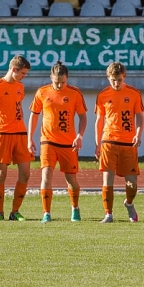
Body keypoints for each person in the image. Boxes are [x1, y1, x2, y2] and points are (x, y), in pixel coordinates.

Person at [28, 62, 87, 223]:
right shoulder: (42, 92)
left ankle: (75, 208)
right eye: (56, 82)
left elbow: (83, 117)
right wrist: (30, 138)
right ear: (51, 78)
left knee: (71, 181)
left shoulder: (75, 94)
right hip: (48, 141)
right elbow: (34, 115)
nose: (59, 85)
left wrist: (79, 136)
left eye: (63, 82)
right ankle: (46, 213)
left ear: (67, 78)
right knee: (46, 175)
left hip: (69, 144)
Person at [94, 62, 144, 223]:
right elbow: (99, 121)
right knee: (107, 179)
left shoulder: (134, 94)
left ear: (124, 77)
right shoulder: (102, 95)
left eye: (119, 80)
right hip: (108, 141)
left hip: (128, 144)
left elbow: (140, 116)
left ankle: (129, 203)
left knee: (132, 183)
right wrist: (98, 144)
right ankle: (108, 214)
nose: (116, 83)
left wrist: (138, 134)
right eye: (113, 80)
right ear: (108, 78)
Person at [0, 55, 32, 222]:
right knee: (0, 175)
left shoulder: (20, 86)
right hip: (2, 134)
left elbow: (19, 108)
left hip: (20, 134)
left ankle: (15, 212)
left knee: (25, 174)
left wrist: (26, 132)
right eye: (23, 73)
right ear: (14, 70)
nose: (24, 76)